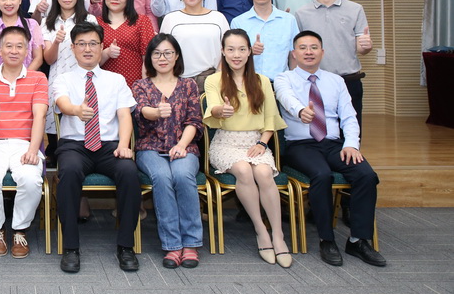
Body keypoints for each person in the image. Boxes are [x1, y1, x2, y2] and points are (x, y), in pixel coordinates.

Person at [274, 31, 385, 267]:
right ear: (294, 53)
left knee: (366, 175)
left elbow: (349, 117)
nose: (308, 52)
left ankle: (358, 240)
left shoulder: (336, 81)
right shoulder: (284, 78)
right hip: (300, 145)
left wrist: (351, 144)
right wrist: (300, 111)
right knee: (322, 175)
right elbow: (285, 98)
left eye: (314, 47)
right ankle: (327, 239)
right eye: (303, 48)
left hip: (334, 144)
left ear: (322, 52)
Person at [53, 21, 141, 273]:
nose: (87, 49)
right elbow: (63, 103)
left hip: (109, 146)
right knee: (69, 172)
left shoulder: (116, 80)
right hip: (74, 145)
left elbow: (124, 115)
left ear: (102, 46)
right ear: (72, 48)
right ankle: (71, 247)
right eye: (81, 44)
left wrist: (124, 145)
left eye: (93, 43)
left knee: (129, 172)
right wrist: (76, 110)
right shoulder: (63, 79)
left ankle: (126, 246)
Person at [204, 29, 292, 268]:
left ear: (250, 51)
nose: (236, 55)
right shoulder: (214, 80)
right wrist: (221, 111)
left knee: (263, 172)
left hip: (256, 142)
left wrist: (262, 143)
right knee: (244, 170)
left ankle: (278, 235)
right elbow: (212, 109)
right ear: (223, 52)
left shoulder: (262, 81)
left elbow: (271, 118)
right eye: (231, 49)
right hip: (226, 142)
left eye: (242, 49)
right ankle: (261, 230)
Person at [131, 34, 205, 269]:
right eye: (156, 53)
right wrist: (155, 112)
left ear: (176, 56)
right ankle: (172, 245)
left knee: (182, 175)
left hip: (185, 146)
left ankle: (191, 243)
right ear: (149, 57)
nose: (162, 58)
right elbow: (141, 112)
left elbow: (194, 120)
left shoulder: (189, 85)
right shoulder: (140, 85)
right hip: (150, 149)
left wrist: (181, 145)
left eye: (167, 53)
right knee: (162, 177)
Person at [0, 26, 47, 258]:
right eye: (9, 46)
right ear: (0, 49)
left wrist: (33, 150)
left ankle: (20, 230)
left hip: (24, 144)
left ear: (27, 51)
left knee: (31, 179)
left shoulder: (38, 78)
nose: (14, 51)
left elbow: (40, 116)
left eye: (19, 46)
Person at [294, 0, 372, 127]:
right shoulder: (301, 13)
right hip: (314, 82)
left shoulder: (355, 9)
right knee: (319, 130)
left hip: (348, 80)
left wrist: (366, 47)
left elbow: (361, 48)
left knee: (351, 130)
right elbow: (297, 51)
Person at [42, 0, 97, 163]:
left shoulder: (89, 19)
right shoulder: (48, 22)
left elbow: (95, 51)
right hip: (57, 78)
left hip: (84, 78)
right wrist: (56, 42)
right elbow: (48, 59)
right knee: (55, 120)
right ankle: (58, 156)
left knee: (83, 115)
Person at [160, 0, 230, 92]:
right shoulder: (170, 19)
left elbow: (229, 50)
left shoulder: (218, 18)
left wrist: (218, 74)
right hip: (179, 83)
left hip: (213, 82)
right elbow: (163, 52)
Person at [230, 0, 299, 82]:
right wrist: (250, 51)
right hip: (249, 83)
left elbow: (294, 55)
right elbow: (232, 56)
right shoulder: (238, 22)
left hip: (282, 84)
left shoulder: (289, 20)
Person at [97, 0, 156, 87]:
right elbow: (90, 62)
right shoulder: (96, 23)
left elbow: (149, 59)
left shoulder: (142, 21)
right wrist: (106, 53)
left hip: (135, 85)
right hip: (105, 87)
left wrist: (146, 88)